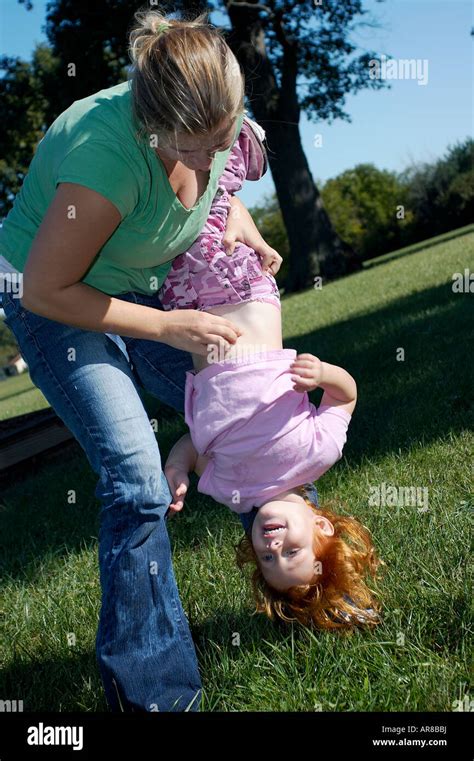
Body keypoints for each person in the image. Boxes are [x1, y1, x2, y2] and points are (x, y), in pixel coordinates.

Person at [0, 8, 279, 712]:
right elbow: (48, 286)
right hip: (53, 295)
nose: (217, 154)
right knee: (134, 475)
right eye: (198, 145)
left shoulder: (223, 130)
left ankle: (312, 583)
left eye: (226, 136)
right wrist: (167, 325)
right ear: (155, 127)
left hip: (145, 281)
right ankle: (156, 697)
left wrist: (245, 231)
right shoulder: (105, 160)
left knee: (253, 405)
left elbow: (226, 193)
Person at [162, 126, 384, 632]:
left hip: (189, 312)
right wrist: (325, 376)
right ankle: (230, 134)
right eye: (294, 552)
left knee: (173, 214)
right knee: (209, 208)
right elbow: (347, 397)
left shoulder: (229, 491)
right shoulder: (317, 454)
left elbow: (197, 448)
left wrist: (177, 468)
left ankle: (194, 147)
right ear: (322, 523)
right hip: (242, 300)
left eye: (267, 560)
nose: (273, 546)